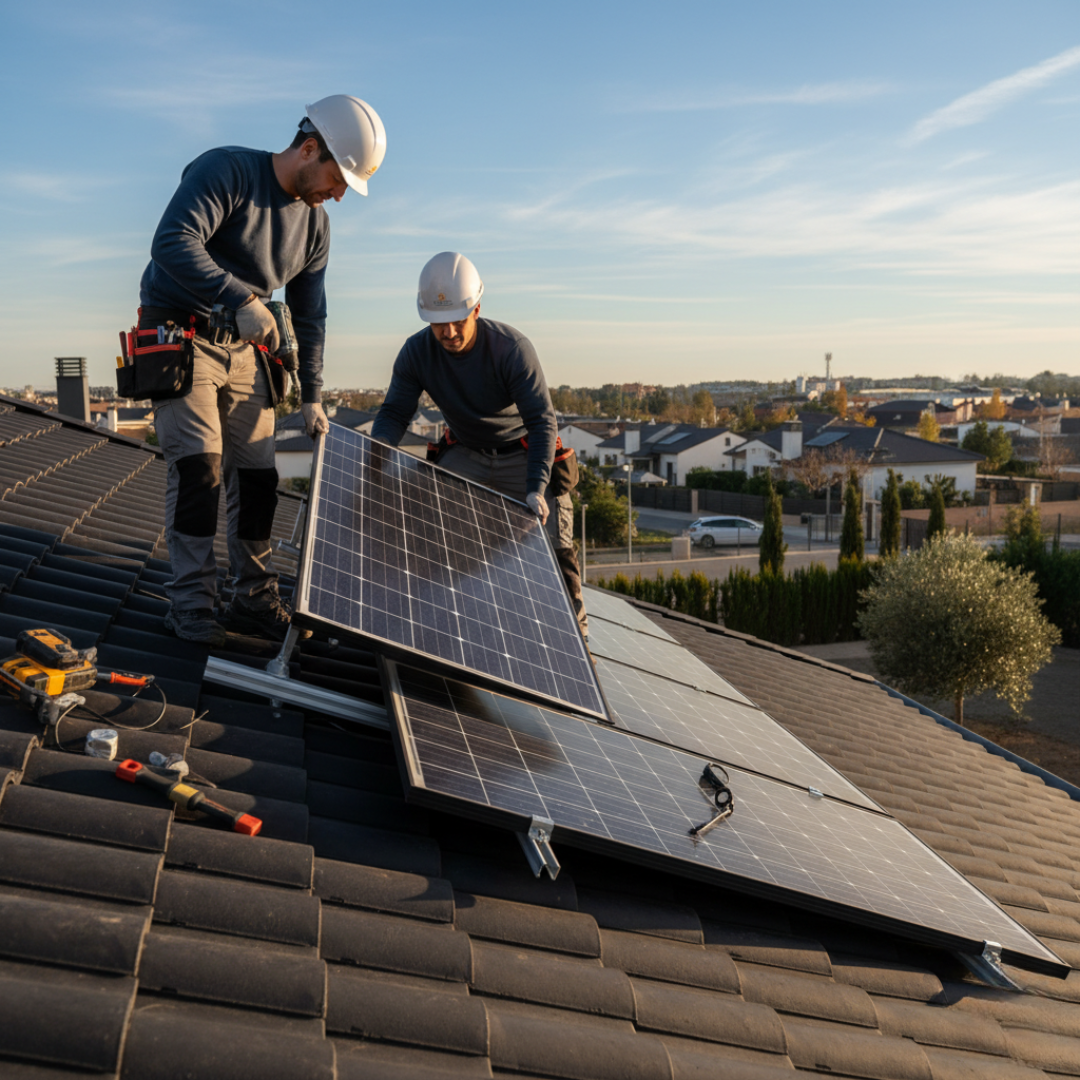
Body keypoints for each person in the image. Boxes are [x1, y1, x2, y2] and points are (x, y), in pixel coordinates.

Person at [138, 95, 386, 645]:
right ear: (308, 147)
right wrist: (240, 299)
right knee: (200, 469)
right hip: (182, 333)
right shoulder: (227, 170)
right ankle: (191, 606)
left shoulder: (315, 227)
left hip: (244, 349)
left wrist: (313, 396)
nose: (339, 194)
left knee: (257, 478)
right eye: (337, 177)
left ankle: (252, 595)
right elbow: (171, 242)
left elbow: (311, 313)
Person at [371, 252, 588, 639]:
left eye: (458, 321)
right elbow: (393, 414)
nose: (449, 333)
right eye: (440, 324)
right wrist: (375, 455)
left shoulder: (510, 348)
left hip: (522, 453)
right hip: (467, 453)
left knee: (554, 541)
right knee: (434, 529)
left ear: (477, 309)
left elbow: (542, 421)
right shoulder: (416, 353)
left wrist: (537, 488)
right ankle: (441, 624)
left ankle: (575, 637)